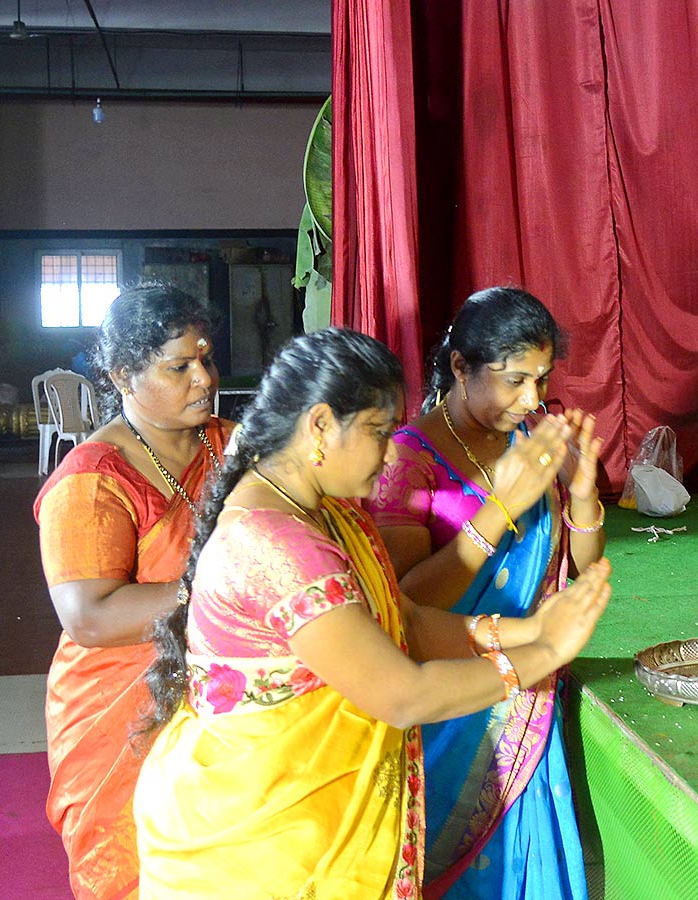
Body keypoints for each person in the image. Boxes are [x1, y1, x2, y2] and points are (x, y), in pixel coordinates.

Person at [133, 327, 612, 900]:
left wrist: (529, 628)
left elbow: (402, 620)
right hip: (269, 843)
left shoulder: (332, 511)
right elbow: (402, 694)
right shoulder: (275, 547)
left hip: (312, 823)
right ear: (319, 426)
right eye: (378, 433)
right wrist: (544, 655)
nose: (389, 455)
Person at [365, 286, 605, 900]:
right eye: (514, 380)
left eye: (542, 380)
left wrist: (580, 489)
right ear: (461, 367)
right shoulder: (405, 460)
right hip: (456, 699)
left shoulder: (533, 440)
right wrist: (501, 506)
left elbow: (579, 566)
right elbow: (408, 602)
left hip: (531, 684)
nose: (532, 400)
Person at [34, 284, 228, 899]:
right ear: (122, 375)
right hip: (123, 714)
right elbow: (89, 617)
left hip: (222, 692)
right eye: (179, 367)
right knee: (133, 871)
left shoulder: (233, 445)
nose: (204, 378)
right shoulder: (91, 481)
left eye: (206, 358)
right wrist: (231, 587)